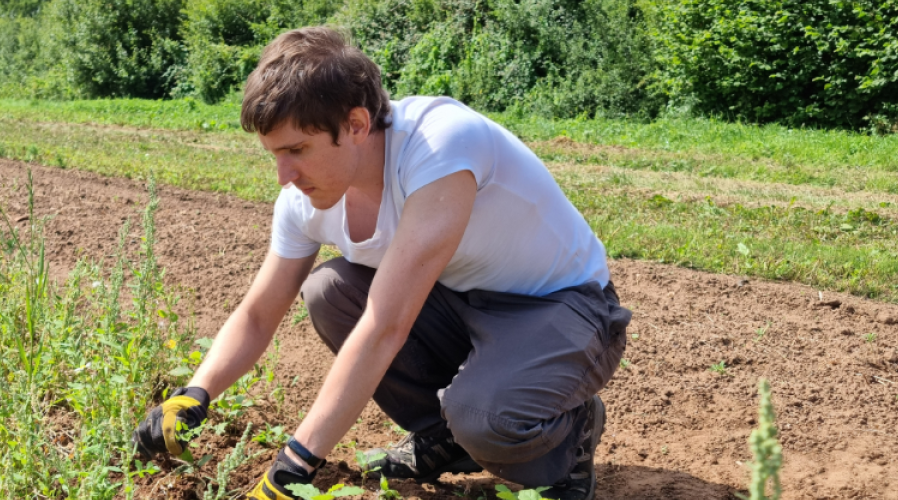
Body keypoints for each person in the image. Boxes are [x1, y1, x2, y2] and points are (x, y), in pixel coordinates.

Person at [134, 26, 631, 500]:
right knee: (330, 291)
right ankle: (447, 436)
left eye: (297, 150)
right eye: (274, 155)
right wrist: (194, 392)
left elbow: (385, 326)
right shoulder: (303, 201)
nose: (285, 175)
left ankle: (568, 439)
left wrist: (296, 464)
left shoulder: (441, 144)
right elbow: (259, 312)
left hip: (562, 308)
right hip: (457, 300)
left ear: (355, 124)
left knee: (485, 416)